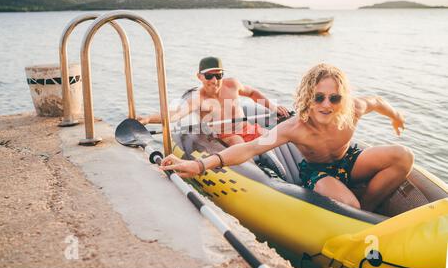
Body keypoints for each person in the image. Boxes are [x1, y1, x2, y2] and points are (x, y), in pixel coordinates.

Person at [160, 63, 414, 212]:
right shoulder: (295, 127)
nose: (326, 104)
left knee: (403, 157)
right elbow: (249, 149)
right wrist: (200, 164)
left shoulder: (353, 109)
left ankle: (368, 207)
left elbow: (378, 102)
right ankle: (359, 210)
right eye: (318, 97)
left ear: (343, 98)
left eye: (334, 98)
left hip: (349, 159)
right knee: (350, 207)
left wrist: (396, 116)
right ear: (308, 97)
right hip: (318, 172)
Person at [137, 56, 289, 146]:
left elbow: (252, 93)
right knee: (238, 143)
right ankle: (260, 173)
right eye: (209, 76)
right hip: (226, 135)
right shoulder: (197, 98)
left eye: (219, 75)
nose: (215, 80)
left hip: (248, 128)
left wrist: (273, 107)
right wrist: (149, 118)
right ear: (199, 77)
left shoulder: (232, 84)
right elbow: (175, 114)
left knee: (274, 141)